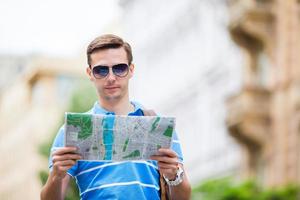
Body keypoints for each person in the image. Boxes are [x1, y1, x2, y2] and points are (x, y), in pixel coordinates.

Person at [40, 34, 191, 200]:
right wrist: (56, 175)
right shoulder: (74, 131)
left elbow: (183, 197)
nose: (111, 77)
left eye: (119, 68)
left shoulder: (157, 126)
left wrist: (174, 175)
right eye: (101, 70)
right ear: (90, 73)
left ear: (131, 69)